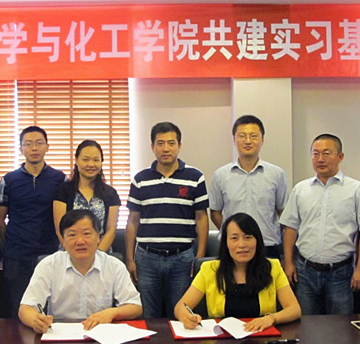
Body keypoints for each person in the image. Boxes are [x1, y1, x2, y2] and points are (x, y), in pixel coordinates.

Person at [279, 133, 360, 315]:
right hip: (304, 271)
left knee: (340, 326)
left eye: (326, 153)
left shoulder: (357, 189)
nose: (320, 159)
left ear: (340, 157)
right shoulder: (301, 189)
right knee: (305, 324)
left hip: (340, 273)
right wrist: (288, 263)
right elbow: (290, 227)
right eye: (315, 154)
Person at [126, 121, 209, 318]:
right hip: (147, 258)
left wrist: (199, 258)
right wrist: (129, 259)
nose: (166, 148)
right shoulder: (140, 179)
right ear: (152, 146)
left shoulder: (195, 177)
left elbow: (201, 219)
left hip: (183, 258)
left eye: (171, 143)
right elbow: (133, 221)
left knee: (181, 315)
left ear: (179, 145)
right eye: (160, 143)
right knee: (148, 315)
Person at [19, 209, 142, 333]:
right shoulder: (48, 265)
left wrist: (112, 313)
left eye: (86, 234)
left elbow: (135, 306)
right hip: (59, 335)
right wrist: (36, 321)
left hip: (101, 335)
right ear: (63, 240)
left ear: (98, 237)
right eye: (72, 235)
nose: (80, 241)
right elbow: (26, 308)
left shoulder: (114, 266)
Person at [174, 212, 301, 332]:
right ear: (226, 243)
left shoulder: (273, 268)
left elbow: (294, 309)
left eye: (248, 237)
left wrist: (272, 318)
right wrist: (187, 317)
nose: (242, 244)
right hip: (221, 341)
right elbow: (180, 307)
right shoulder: (209, 269)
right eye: (234, 238)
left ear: (257, 241)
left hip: (261, 336)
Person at [0, 125, 67, 318]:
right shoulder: (9, 180)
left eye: (39, 143)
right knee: (17, 307)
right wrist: (13, 241)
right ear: (21, 149)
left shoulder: (60, 179)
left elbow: (65, 218)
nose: (34, 148)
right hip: (17, 256)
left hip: (50, 253)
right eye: (28, 144)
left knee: (49, 308)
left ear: (47, 147)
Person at [208, 115, 290, 259]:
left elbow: (283, 213)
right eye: (242, 136)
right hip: (232, 248)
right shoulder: (221, 175)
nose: (247, 141)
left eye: (253, 136)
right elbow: (215, 212)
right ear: (234, 140)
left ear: (262, 139)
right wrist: (231, 233)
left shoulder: (277, 174)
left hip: (267, 246)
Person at [53, 140, 121, 252]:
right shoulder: (63, 191)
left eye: (96, 160)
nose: (91, 164)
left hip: (101, 255)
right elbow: (60, 229)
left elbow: (111, 231)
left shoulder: (110, 193)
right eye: (85, 159)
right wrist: (75, 254)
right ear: (76, 160)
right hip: (69, 254)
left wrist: (96, 256)